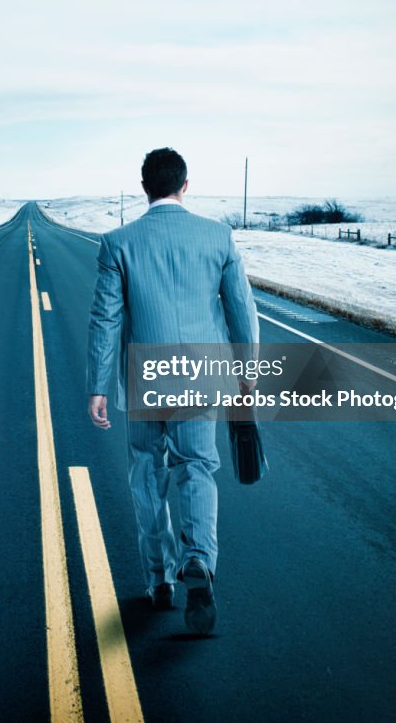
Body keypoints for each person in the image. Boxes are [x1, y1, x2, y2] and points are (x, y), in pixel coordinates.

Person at [86, 147, 259, 634]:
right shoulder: (218, 237)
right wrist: (247, 373)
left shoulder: (118, 242)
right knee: (197, 469)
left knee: (147, 475)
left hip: (145, 381)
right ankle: (199, 561)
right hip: (203, 376)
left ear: (145, 188)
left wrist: (98, 386)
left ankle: (159, 579)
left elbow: (105, 320)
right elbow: (242, 311)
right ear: (185, 185)